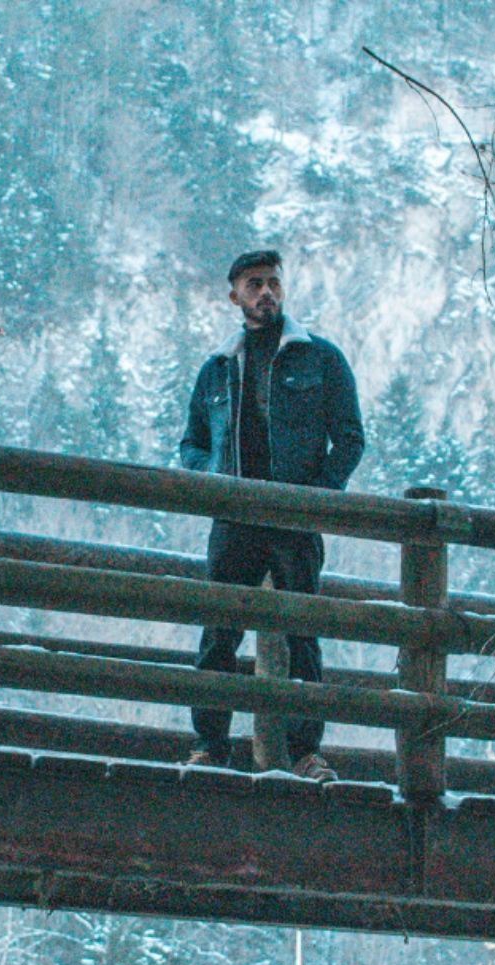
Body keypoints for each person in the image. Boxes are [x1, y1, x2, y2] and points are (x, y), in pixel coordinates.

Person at [178, 248, 364, 781]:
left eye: (274, 283)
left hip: (294, 519)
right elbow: (191, 442)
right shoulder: (217, 369)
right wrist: (212, 480)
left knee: (303, 637)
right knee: (219, 635)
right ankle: (210, 747)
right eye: (255, 284)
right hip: (234, 517)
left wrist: (317, 498)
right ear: (234, 294)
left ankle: (306, 753)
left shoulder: (320, 358)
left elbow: (350, 439)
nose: (267, 293)